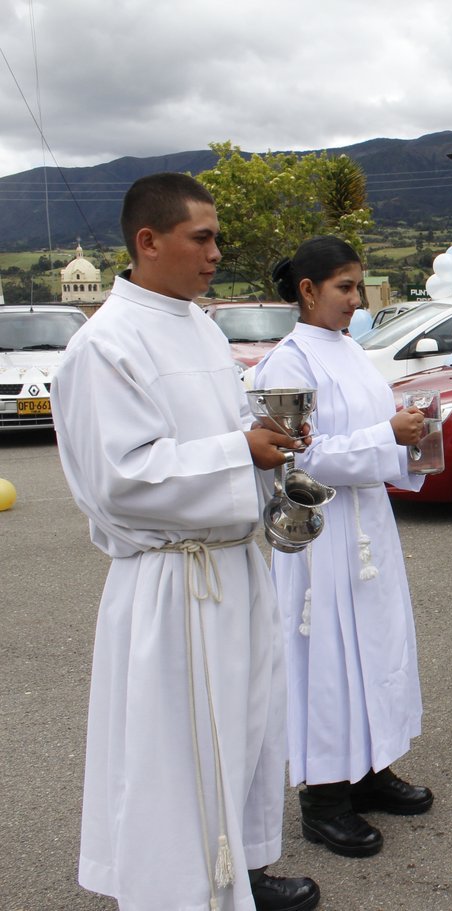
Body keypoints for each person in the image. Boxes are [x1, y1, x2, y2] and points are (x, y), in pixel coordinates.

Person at [51, 172, 319, 911]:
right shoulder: (107, 344)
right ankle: (178, 893)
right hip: (176, 583)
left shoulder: (198, 324)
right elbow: (121, 480)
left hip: (233, 568)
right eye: (201, 237)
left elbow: (226, 430)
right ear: (148, 241)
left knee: (241, 732)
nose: (215, 253)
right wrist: (242, 453)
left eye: (216, 238)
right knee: (175, 753)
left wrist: (270, 450)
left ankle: (238, 874)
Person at [254, 237, 433, 858]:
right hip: (322, 535)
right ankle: (324, 797)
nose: (357, 300)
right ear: (308, 291)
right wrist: (388, 435)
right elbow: (298, 456)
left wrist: (409, 439)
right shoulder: (287, 364)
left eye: (359, 286)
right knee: (327, 659)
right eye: (345, 288)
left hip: (369, 524)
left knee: (377, 645)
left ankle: (371, 766)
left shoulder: (352, 350)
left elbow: (371, 428)